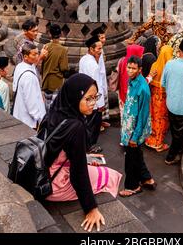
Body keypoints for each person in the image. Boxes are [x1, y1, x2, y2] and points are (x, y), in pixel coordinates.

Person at [38, 73, 122, 232]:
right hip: (55, 184)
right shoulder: (76, 127)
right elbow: (78, 173)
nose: (93, 103)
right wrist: (91, 208)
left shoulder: (54, 112)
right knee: (110, 176)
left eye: (95, 97)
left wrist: (85, 158)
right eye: (88, 99)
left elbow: (60, 151)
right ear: (75, 98)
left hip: (44, 172)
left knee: (94, 167)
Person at [119, 56, 156, 197]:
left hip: (135, 130)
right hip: (129, 125)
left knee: (130, 160)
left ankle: (133, 186)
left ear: (140, 70)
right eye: (128, 67)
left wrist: (134, 136)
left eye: (133, 68)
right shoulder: (132, 81)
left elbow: (143, 115)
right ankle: (147, 178)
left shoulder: (143, 88)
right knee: (137, 155)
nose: (130, 70)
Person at [78, 35, 106, 148]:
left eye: (101, 48)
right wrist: (100, 104)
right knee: (94, 124)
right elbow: (97, 85)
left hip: (85, 96)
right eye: (98, 49)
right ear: (91, 49)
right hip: (93, 100)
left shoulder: (83, 59)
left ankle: (86, 144)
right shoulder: (93, 65)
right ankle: (91, 145)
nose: (101, 51)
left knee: (87, 123)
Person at [145, 45, 173, 152]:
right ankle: (158, 143)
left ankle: (150, 140)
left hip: (154, 96)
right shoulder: (169, 68)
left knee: (153, 118)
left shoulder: (154, 65)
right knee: (162, 120)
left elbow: (150, 79)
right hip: (164, 97)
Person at [13, 43, 46, 129]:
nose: (37, 56)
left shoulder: (20, 66)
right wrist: (39, 118)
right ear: (25, 57)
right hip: (29, 120)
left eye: (37, 53)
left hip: (19, 113)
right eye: (34, 54)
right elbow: (30, 101)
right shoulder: (29, 76)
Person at [41, 23, 69, 112]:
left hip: (46, 80)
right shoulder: (63, 50)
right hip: (56, 82)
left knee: (47, 105)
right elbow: (64, 68)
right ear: (60, 34)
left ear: (50, 34)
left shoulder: (45, 47)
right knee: (55, 106)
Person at [117, 44, 144, 121]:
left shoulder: (122, 61)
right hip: (129, 98)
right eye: (140, 54)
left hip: (122, 94)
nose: (141, 56)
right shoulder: (132, 67)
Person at [92, 25, 110, 130]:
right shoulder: (96, 52)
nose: (104, 40)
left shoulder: (101, 50)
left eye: (104, 37)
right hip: (98, 80)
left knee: (103, 101)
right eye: (101, 38)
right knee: (99, 103)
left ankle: (102, 121)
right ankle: (98, 124)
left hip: (103, 78)